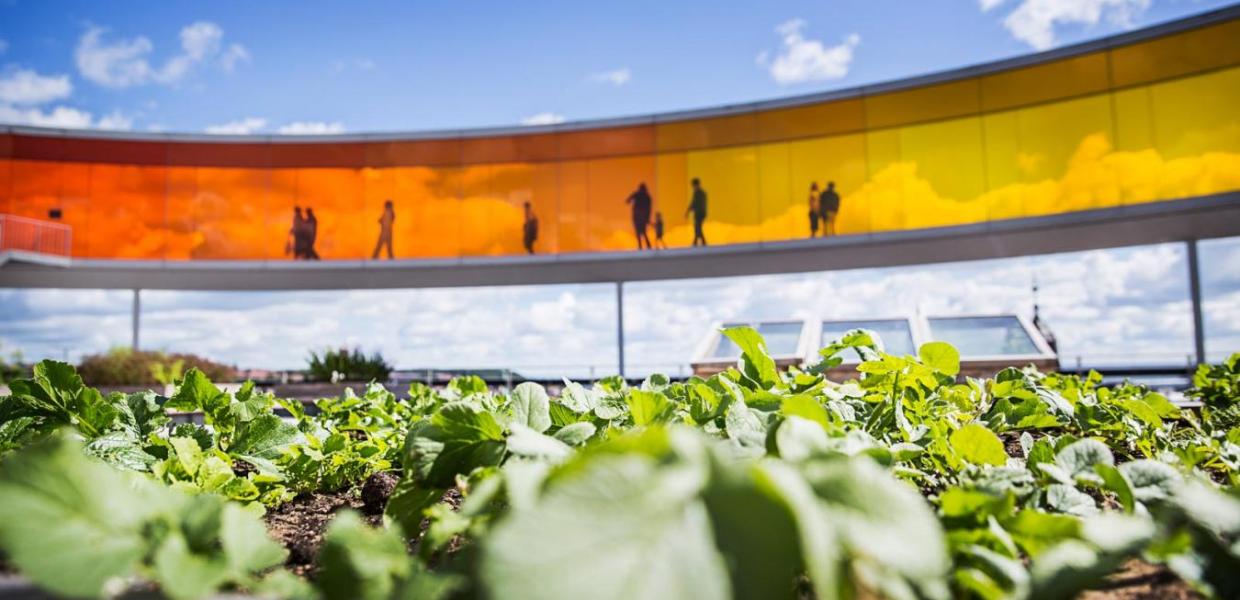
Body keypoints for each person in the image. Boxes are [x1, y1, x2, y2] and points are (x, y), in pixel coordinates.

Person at [625, 182, 653, 250]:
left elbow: (628, 200)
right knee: (642, 232)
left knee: (640, 232)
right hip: (640, 216)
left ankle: (643, 245)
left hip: (638, 216)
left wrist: (647, 218)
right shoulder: (647, 196)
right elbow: (649, 209)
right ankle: (645, 245)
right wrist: (647, 218)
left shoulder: (640, 195)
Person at [685, 177, 707, 247]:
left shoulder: (699, 193)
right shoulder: (701, 193)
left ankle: (700, 243)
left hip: (699, 214)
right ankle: (697, 242)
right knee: (697, 228)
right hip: (700, 213)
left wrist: (688, 211)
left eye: (693, 185)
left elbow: (694, 203)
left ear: (696, 185)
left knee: (698, 227)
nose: (693, 187)